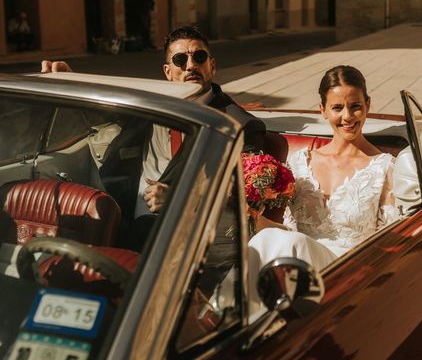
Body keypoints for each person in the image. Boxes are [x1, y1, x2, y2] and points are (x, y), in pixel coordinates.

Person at [42, 25, 266, 248]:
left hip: (189, 229)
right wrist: (71, 80)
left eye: (199, 57)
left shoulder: (239, 125)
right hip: (126, 211)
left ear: (212, 65)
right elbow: (108, 108)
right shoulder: (155, 104)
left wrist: (179, 199)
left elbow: (242, 196)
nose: (191, 66)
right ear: (168, 72)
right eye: (180, 60)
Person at [248, 65, 399, 278]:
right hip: (297, 260)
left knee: (293, 245)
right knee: (264, 240)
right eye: (337, 108)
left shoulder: (384, 167)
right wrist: (252, 217)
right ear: (323, 110)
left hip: (350, 269)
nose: (347, 116)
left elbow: (388, 243)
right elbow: (288, 232)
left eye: (355, 106)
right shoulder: (300, 163)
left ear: (368, 105)